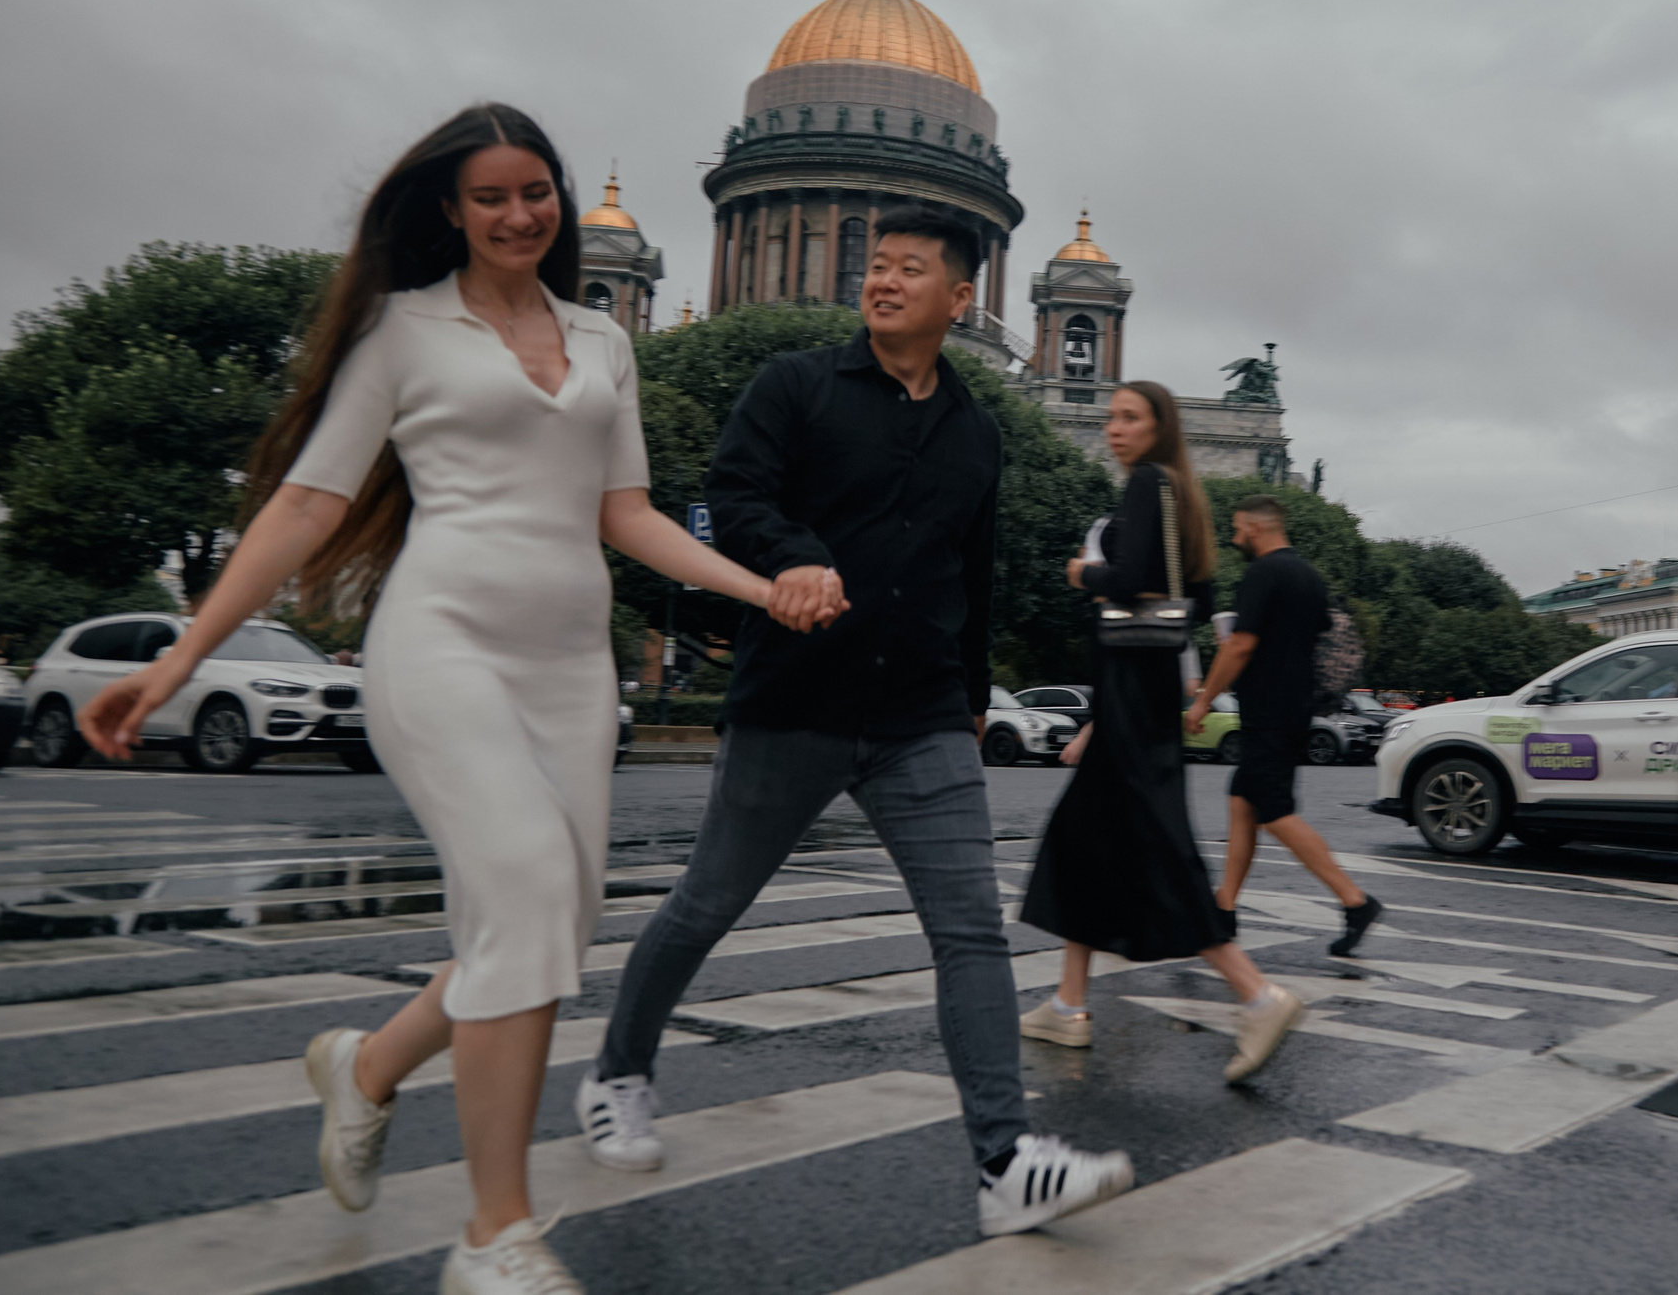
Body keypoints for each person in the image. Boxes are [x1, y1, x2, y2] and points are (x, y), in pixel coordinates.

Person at [77, 106, 776, 1295]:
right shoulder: (402, 331)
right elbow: (306, 506)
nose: (519, 215)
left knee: (540, 926)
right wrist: (183, 655)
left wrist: (762, 589)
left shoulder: (603, 342)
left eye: (535, 192)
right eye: (490, 196)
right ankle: (494, 1234)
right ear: (448, 210)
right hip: (441, 643)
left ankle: (365, 1067)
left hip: (569, 667)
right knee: (520, 890)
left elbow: (628, 514)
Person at [585, 203, 1132, 1237]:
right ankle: (617, 1073)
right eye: (874, 266)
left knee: (969, 928)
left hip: (921, 715)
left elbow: (969, 575)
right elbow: (733, 496)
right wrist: (789, 553)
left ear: (960, 296)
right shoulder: (791, 386)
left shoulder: (977, 431)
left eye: (908, 268)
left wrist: (970, 698)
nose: (881, 281)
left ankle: (1005, 1160)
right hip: (795, 698)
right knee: (706, 903)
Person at [1018, 384, 1306, 1081]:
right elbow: (1196, 596)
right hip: (1141, 691)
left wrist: (1084, 572)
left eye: (1129, 418)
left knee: (1157, 846)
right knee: (1084, 841)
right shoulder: (1186, 495)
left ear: (1159, 427)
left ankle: (1256, 993)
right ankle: (1069, 1002)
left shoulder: (1149, 483)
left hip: (1131, 691)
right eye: (1112, 417)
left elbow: (1131, 577)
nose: (1114, 428)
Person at [1185, 495, 1382, 958]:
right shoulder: (1309, 577)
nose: (1235, 539)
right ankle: (1224, 908)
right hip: (1293, 710)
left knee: (1273, 811)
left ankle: (1355, 901)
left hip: (1269, 713)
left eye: (1237, 529)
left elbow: (1239, 647)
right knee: (1242, 802)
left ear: (1255, 528)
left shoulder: (1265, 574)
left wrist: (1202, 700)